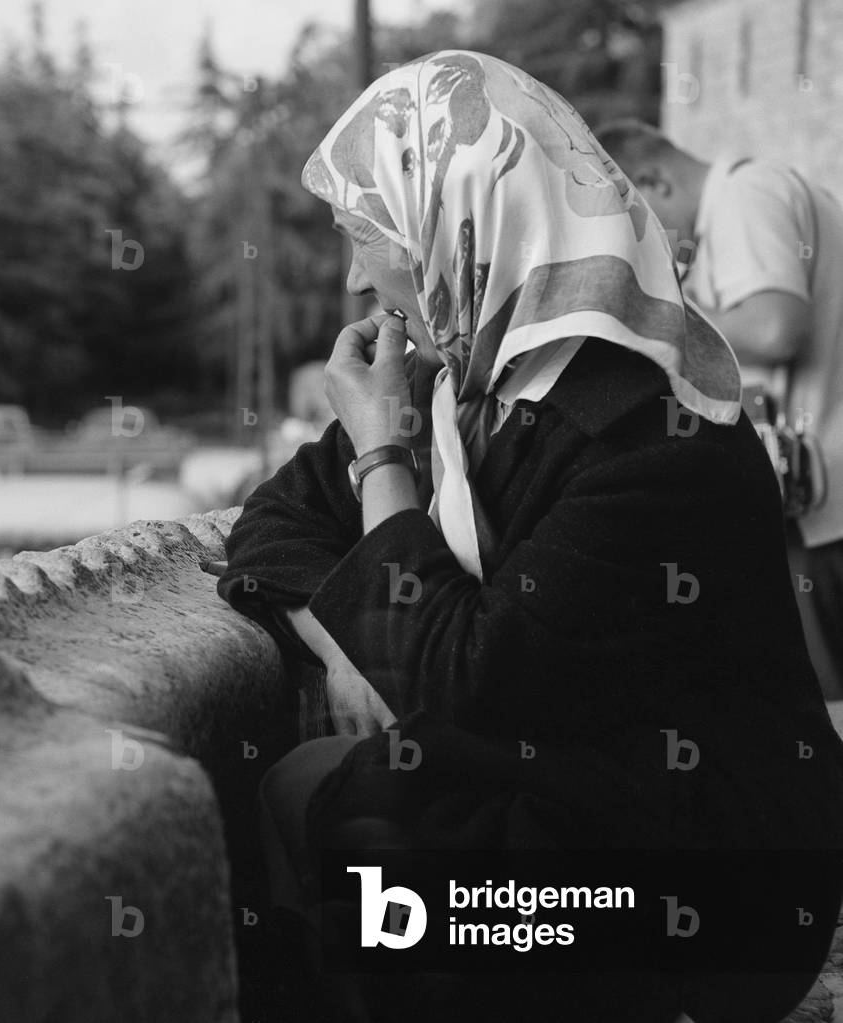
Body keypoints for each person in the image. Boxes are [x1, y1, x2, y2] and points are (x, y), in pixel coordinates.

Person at [217, 52, 843, 1023]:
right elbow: (278, 521)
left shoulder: (644, 432)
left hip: (717, 888)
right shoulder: (468, 392)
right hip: (584, 811)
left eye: (367, 235)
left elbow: (463, 682)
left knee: (380, 847)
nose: (352, 277)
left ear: (458, 225)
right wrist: (353, 646)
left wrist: (381, 455)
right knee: (316, 790)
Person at [594, 119, 843, 700]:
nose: (639, 249)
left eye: (634, 225)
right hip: (818, 506)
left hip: (824, 510)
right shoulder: (757, 195)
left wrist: (646, 324)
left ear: (654, 181)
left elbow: (774, 326)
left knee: (823, 716)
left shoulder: (743, 196)